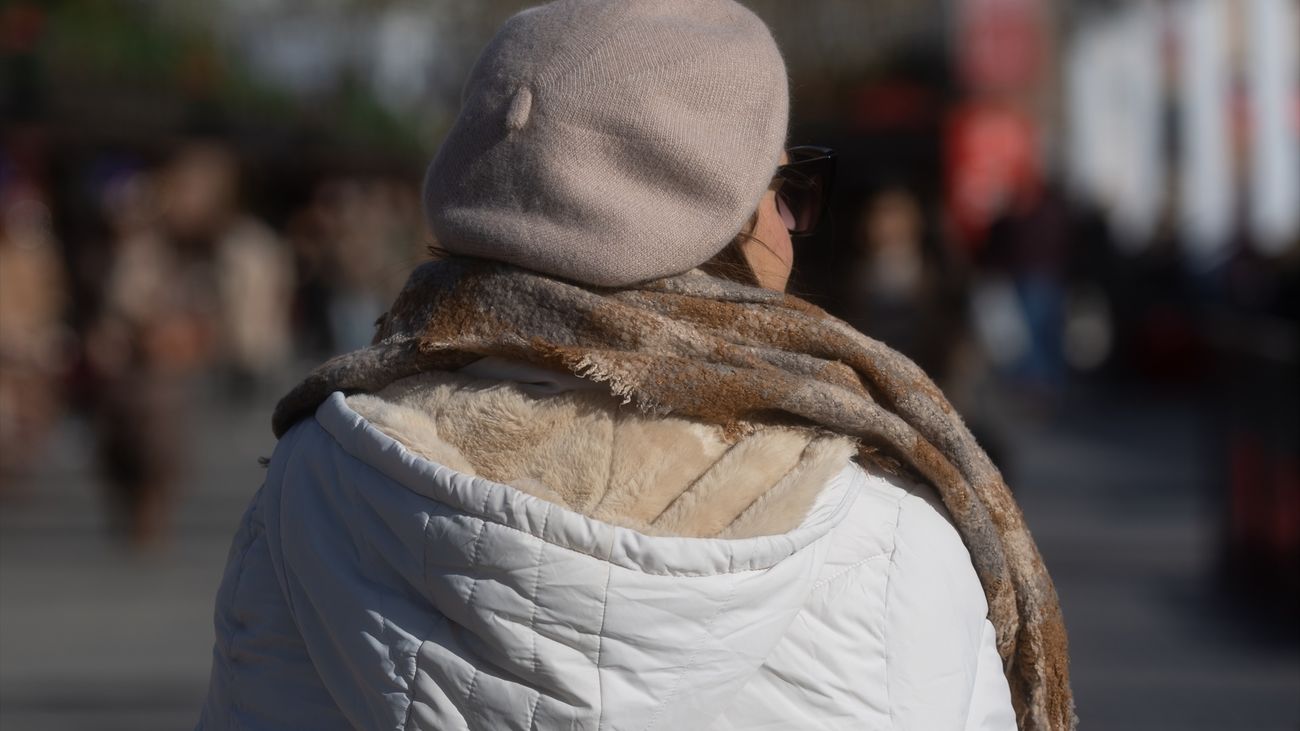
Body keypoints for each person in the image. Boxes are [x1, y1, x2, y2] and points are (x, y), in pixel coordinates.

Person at [198, 1, 1073, 729]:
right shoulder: (887, 527)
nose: (788, 224)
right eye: (775, 186)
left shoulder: (316, 479)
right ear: (705, 216)